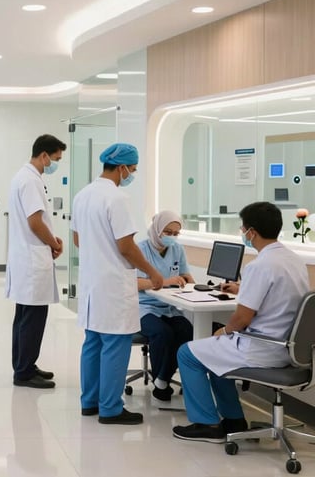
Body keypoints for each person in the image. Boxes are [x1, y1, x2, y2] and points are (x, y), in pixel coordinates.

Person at [173, 201, 309, 443]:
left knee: (188, 353)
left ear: (252, 232)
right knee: (214, 355)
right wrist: (242, 289)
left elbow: (243, 317)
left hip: (262, 348)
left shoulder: (260, 266)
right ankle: (234, 420)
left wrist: (224, 330)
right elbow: (277, 296)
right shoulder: (294, 260)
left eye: (243, 228)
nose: (242, 233)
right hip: (289, 348)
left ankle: (207, 424)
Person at [71, 142, 164, 425]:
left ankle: (90, 402)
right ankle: (110, 408)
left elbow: (77, 239)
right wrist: (152, 272)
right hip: (112, 283)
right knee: (115, 343)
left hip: (91, 282)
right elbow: (126, 246)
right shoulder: (117, 198)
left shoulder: (83, 194)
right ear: (122, 167)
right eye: (132, 169)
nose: (131, 174)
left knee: (93, 342)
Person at [6, 134, 66, 389]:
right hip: (32, 259)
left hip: (27, 257)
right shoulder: (30, 181)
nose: (56, 164)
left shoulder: (24, 177)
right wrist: (53, 243)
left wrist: (51, 240)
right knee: (32, 318)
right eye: (56, 159)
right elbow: (34, 222)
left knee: (24, 316)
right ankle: (24, 372)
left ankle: (25, 365)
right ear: (44, 156)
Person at [137, 210, 194, 401]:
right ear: (157, 229)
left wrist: (191, 283)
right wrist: (166, 281)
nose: (172, 237)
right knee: (162, 333)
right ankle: (161, 382)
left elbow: (186, 275)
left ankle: (162, 378)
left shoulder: (177, 250)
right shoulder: (141, 250)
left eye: (175, 234)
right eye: (168, 232)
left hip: (169, 306)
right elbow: (133, 283)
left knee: (186, 330)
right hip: (143, 307)